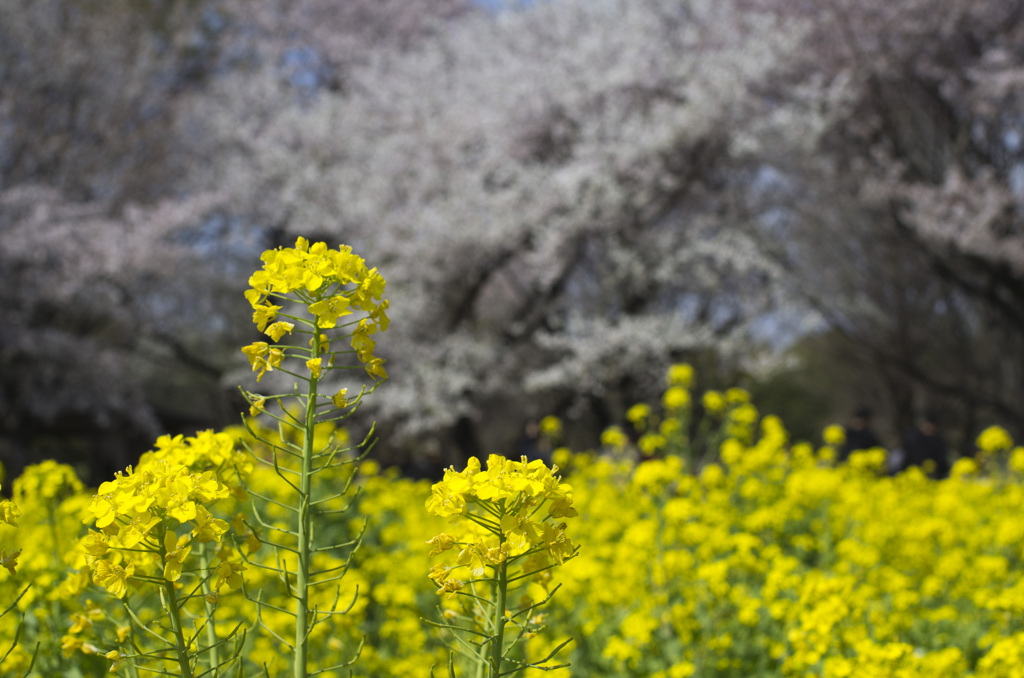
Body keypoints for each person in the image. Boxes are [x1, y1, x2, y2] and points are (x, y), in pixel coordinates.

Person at [901, 411, 949, 479]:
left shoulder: (938, 442)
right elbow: (907, 459)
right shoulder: (914, 439)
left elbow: (942, 463)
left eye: (931, 425)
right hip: (913, 474)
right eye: (926, 424)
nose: (928, 427)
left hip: (932, 476)